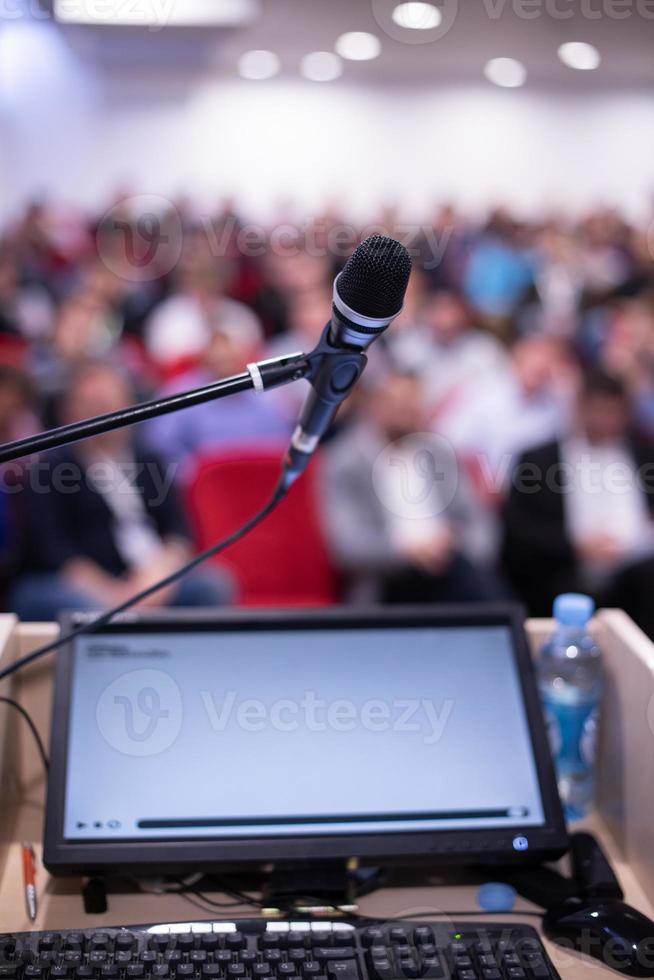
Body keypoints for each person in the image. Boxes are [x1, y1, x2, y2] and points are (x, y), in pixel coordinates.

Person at [10, 362, 233, 620]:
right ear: (69, 411)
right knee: (70, 604)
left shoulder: (148, 457)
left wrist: (157, 579)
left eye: (110, 404)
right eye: (92, 405)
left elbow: (178, 531)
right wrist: (115, 595)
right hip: (80, 584)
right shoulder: (51, 467)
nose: (104, 415)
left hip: (149, 577)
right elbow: (53, 550)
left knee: (212, 585)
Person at [320, 369, 503, 603]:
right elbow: (347, 546)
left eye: (412, 405)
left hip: (450, 564)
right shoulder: (345, 461)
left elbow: (482, 527)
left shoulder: (440, 453)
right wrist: (407, 550)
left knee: (476, 584)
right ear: (375, 405)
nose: (405, 413)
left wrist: (452, 547)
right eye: (398, 405)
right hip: (388, 576)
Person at [502, 371, 654, 636]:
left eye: (612, 412)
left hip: (638, 574)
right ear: (579, 407)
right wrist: (577, 547)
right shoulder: (539, 461)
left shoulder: (643, 455)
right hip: (565, 577)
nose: (604, 420)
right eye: (598, 411)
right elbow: (518, 532)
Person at [144, 315, 292, 475]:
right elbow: (159, 442)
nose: (224, 353)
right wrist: (192, 474)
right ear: (204, 351)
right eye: (217, 344)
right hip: (203, 486)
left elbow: (282, 444)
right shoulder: (181, 391)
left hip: (258, 479)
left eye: (229, 344)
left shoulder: (269, 395)